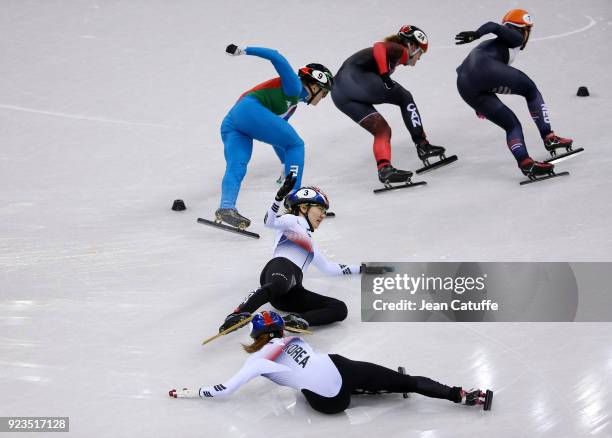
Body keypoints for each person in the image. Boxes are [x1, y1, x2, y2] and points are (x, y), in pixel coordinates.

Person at [170, 311, 493, 414]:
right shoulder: (291, 337)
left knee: (307, 388)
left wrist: (192, 392)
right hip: (343, 369)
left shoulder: (256, 361)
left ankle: (372, 389)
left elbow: (225, 389)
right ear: (279, 329)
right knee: (404, 381)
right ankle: (463, 395)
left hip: (329, 400)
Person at [217, 174, 387, 333]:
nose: (323, 215)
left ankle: (296, 321)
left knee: (339, 308)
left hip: (290, 292)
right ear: (304, 207)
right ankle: (239, 312)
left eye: (325, 211)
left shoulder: (310, 245)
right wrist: (278, 198)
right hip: (279, 270)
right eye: (320, 209)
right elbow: (269, 222)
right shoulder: (291, 220)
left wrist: (362, 268)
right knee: (279, 284)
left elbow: (329, 268)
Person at [217, 43, 334, 228]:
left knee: (236, 166)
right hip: (249, 109)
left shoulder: (291, 105)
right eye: (324, 93)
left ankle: (226, 207)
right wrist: (243, 51)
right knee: (297, 144)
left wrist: (284, 164)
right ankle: (294, 200)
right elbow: (276, 56)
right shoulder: (294, 86)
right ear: (314, 85)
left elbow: (278, 138)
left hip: (233, 122)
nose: (322, 99)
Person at [455, 9, 573, 178]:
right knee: (530, 90)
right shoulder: (516, 37)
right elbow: (492, 25)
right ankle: (549, 137)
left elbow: (460, 70)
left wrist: (477, 105)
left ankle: (525, 163)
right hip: (485, 69)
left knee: (512, 125)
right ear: (522, 29)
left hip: (465, 84)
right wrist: (476, 33)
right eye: (528, 31)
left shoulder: (490, 45)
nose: (527, 37)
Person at [331, 25, 450, 185]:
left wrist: (383, 74)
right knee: (405, 97)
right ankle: (423, 145)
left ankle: (385, 169)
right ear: (412, 46)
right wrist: (385, 75)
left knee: (382, 130)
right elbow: (379, 47)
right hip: (356, 81)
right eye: (420, 53)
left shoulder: (393, 54)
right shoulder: (399, 49)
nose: (419, 58)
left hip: (339, 95)